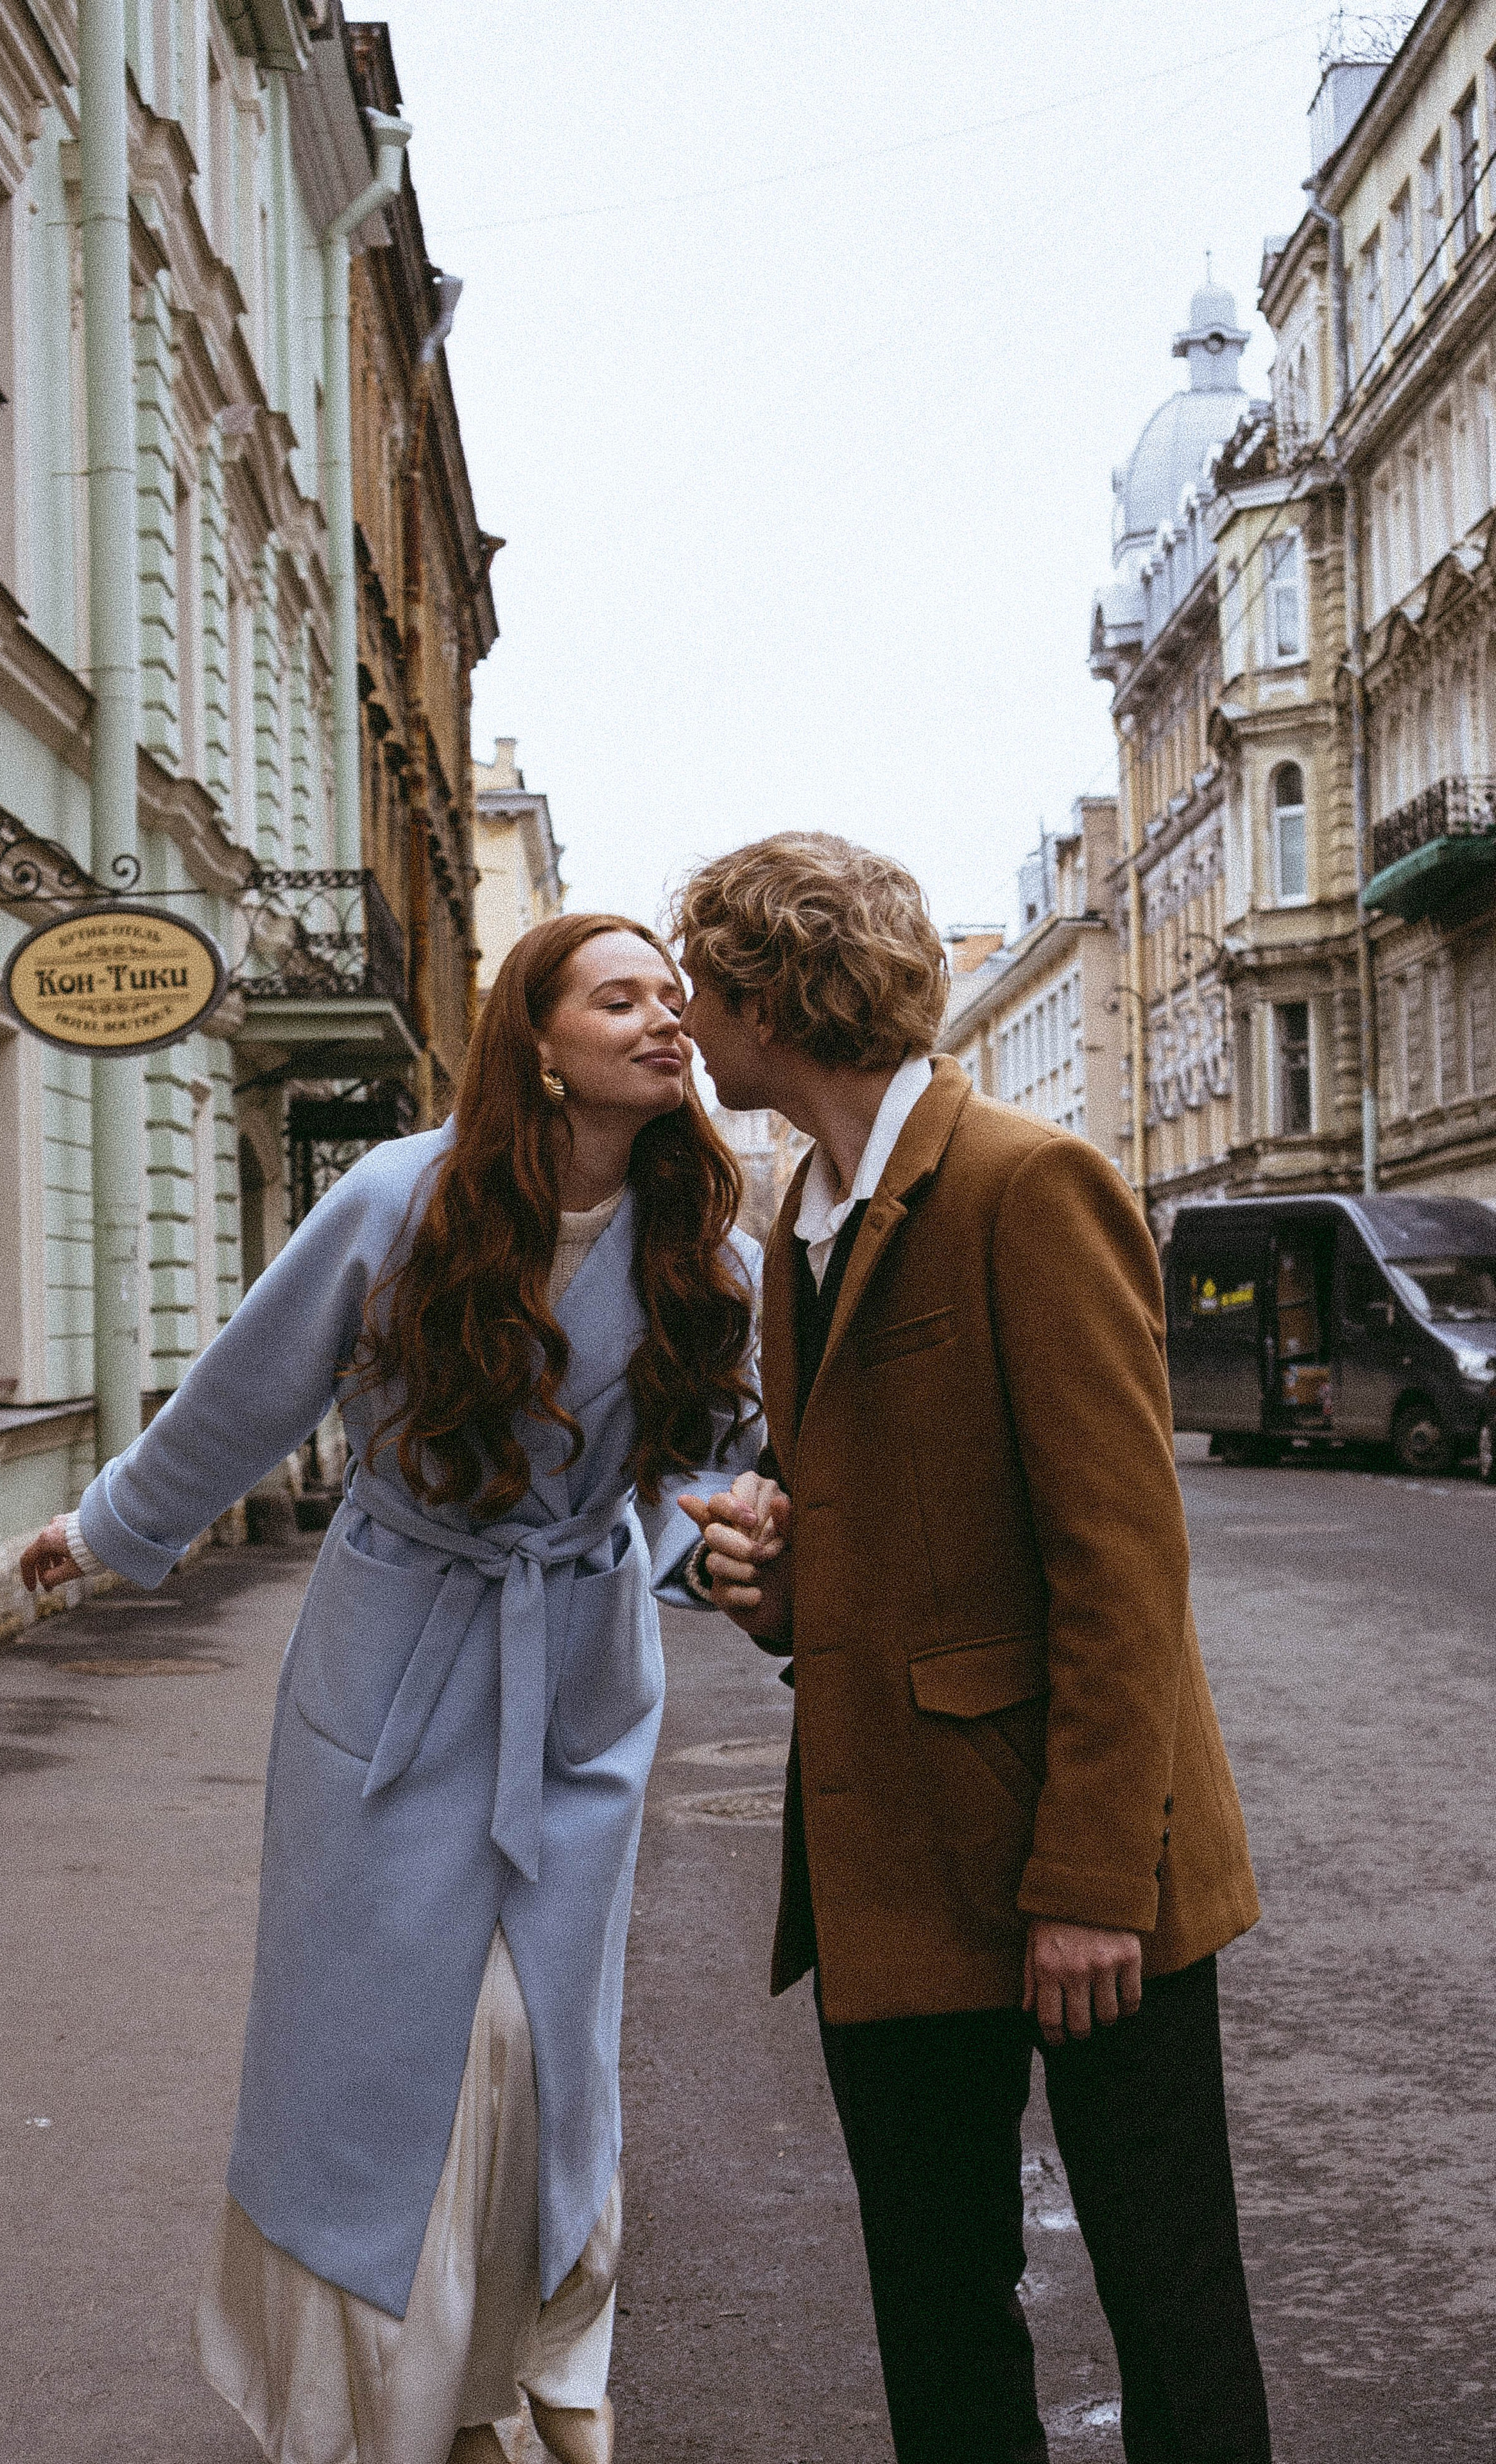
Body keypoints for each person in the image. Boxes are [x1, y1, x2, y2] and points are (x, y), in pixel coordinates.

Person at [21, 916, 761, 2464]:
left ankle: (531, 2357)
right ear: (536, 1043)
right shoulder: (397, 1197)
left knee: (537, 2043)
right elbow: (248, 1385)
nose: (663, 1019)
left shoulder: (705, 1233)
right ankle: (397, 2403)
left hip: (575, 1674)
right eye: (618, 997)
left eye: (670, 999)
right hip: (391, 1659)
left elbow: (700, 1463)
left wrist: (715, 1548)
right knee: (387, 2052)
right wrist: (104, 1531)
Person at [673, 832, 1271, 2464]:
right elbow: (872, 1549)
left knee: (1167, 2298)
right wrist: (776, 1589)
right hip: (895, 1861)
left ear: (764, 994)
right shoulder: (799, 1219)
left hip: (1083, 1854)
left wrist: (1091, 1888)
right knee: (936, 2300)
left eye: (696, 985)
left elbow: (1122, 1567)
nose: (683, 1018)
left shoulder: (1024, 1181)